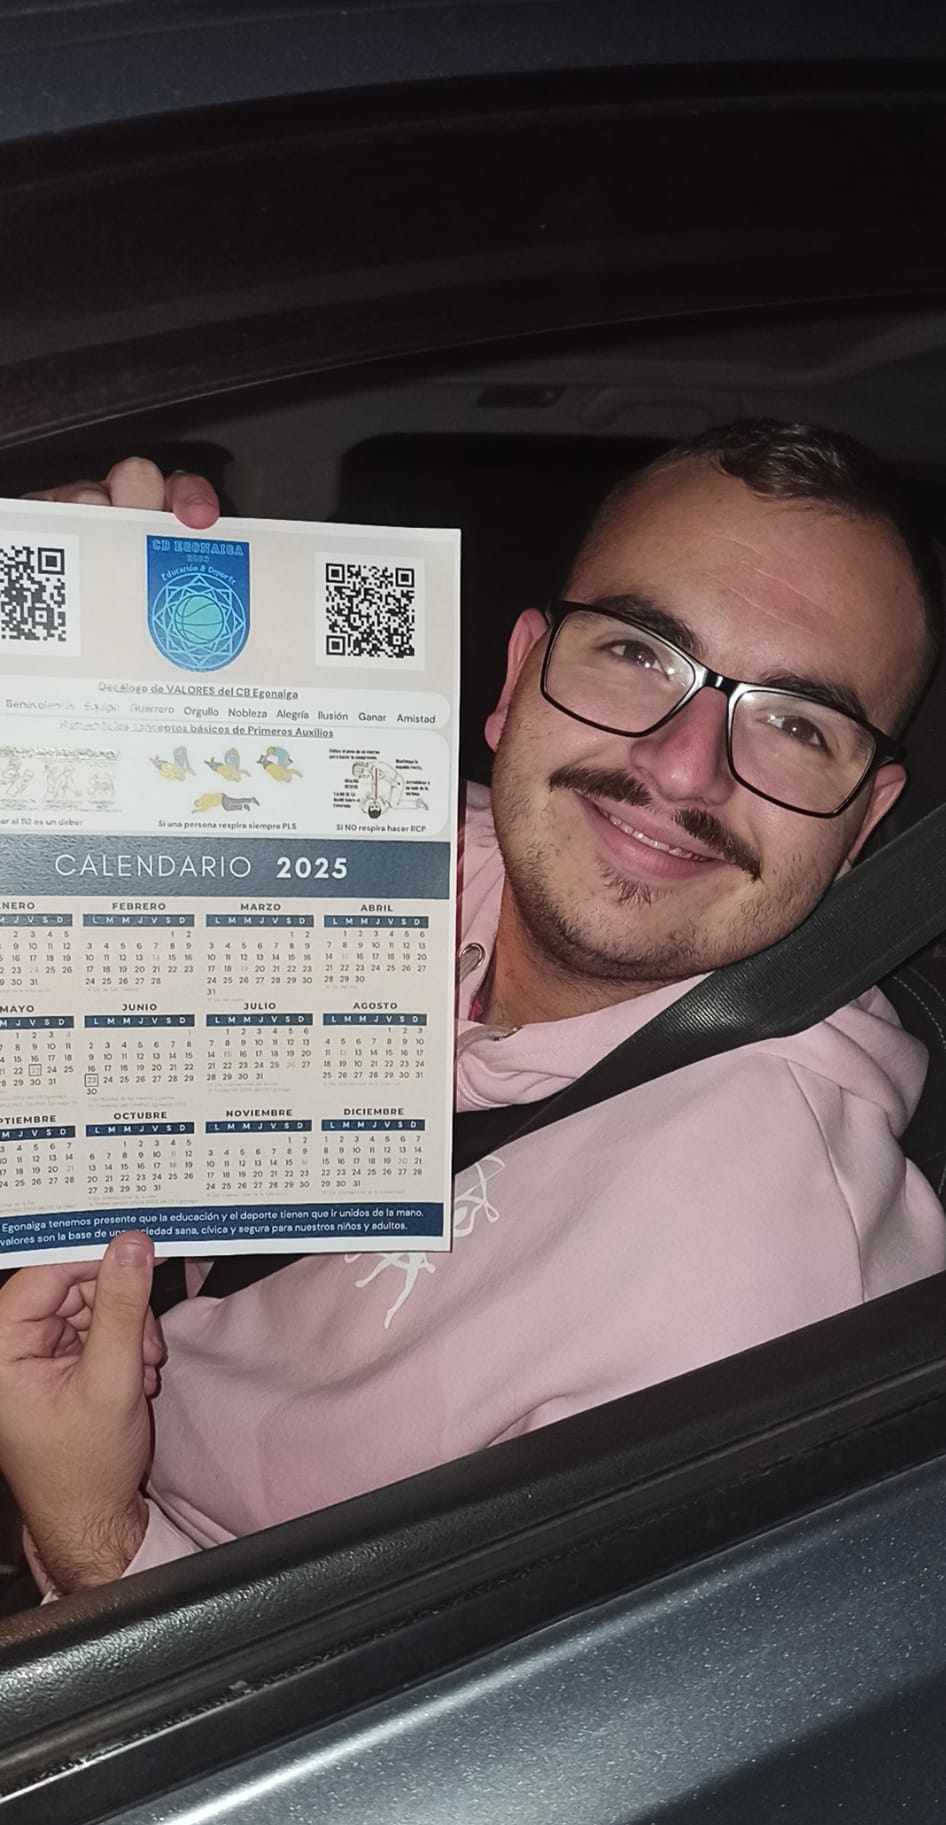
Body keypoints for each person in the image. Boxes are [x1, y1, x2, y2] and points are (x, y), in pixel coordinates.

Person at [3, 423, 946, 1598]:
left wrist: (97, 1535)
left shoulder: (767, 1299)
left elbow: (509, 1711)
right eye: (638, 651)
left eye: (797, 722)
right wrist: (61, 645)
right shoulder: (390, 838)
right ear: (515, 681)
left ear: (861, 824)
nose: (684, 766)